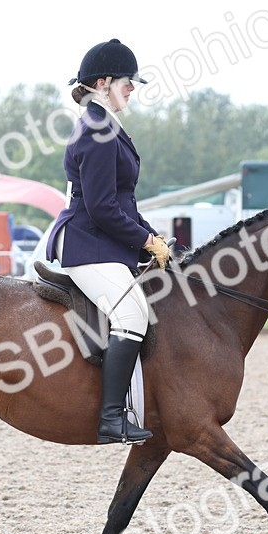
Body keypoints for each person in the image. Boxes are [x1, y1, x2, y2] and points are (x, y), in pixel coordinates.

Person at [43, 38, 171, 445]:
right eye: (127, 82)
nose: (132, 89)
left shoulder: (107, 127)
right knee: (131, 316)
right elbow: (100, 208)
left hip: (100, 240)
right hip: (86, 242)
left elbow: (123, 202)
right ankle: (111, 418)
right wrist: (144, 241)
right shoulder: (97, 131)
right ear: (103, 83)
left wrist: (155, 237)